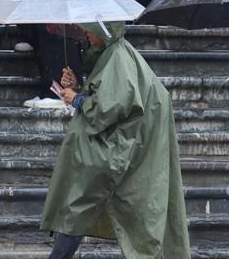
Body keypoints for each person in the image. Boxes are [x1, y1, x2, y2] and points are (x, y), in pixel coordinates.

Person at [41, 21, 190, 259]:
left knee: (77, 207)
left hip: (115, 151)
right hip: (118, 149)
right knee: (77, 209)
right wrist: (78, 88)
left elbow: (110, 108)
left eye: (90, 30)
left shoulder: (118, 57)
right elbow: (111, 95)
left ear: (104, 31)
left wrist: (77, 100)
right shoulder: (115, 55)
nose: (86, 35)